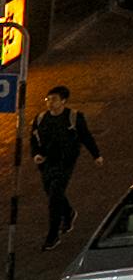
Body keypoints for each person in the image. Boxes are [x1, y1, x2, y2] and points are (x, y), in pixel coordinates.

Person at [32, 87, 98, 244]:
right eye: (48, 99)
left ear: (63, 101)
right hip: (47, 162)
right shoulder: (40, 119)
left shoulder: (74, 117)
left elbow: (85, 136)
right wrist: (36, 154)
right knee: (50, 190)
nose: (50, 103)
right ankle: (68, 212)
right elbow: (34, 139)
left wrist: (96, 155)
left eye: (53, 99)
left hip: (65, 162)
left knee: (55, 193)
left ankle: (53, 234)